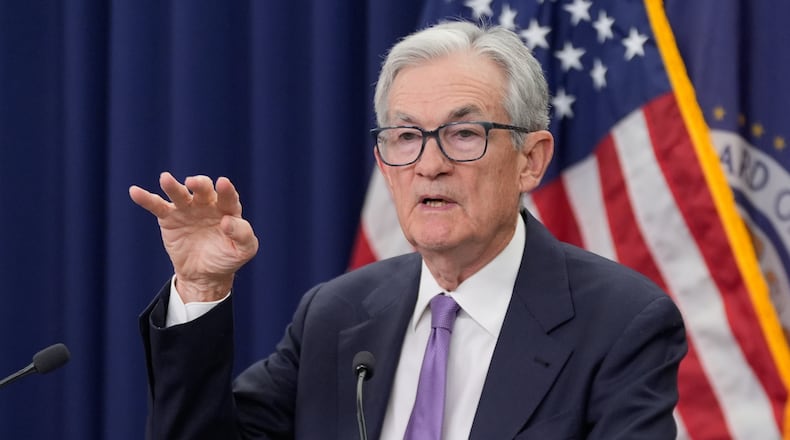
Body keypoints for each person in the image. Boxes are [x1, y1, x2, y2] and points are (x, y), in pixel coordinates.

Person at [130, 20, 687, 439]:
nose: (429, 163)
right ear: (383, 158)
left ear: (531, 160)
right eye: (405, 136)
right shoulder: (335, 315)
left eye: (464, 134)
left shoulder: (620, 323)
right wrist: (201, 289)